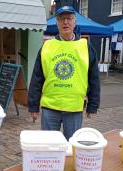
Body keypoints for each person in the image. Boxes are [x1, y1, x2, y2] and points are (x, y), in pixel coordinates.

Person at [27, 6, 100, 140]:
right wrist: (33, 105)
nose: (65, 22)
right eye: (61, 19)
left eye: (69, 18)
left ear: (75, 22)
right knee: (49, 147)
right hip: (50, 107)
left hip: (74, 108)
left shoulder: (85, 47)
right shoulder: (47, 46)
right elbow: (37, 77)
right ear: (57, 22)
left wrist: (93, 105)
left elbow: (94, 78)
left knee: (71, 148)